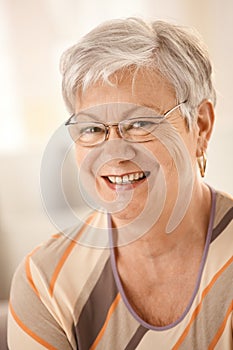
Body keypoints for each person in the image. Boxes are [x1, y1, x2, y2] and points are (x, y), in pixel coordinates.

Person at [8, 18, 233, 349]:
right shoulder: (45, 282)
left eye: (140, 123)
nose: (113, 152)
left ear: (200, 126)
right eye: (92, 129)